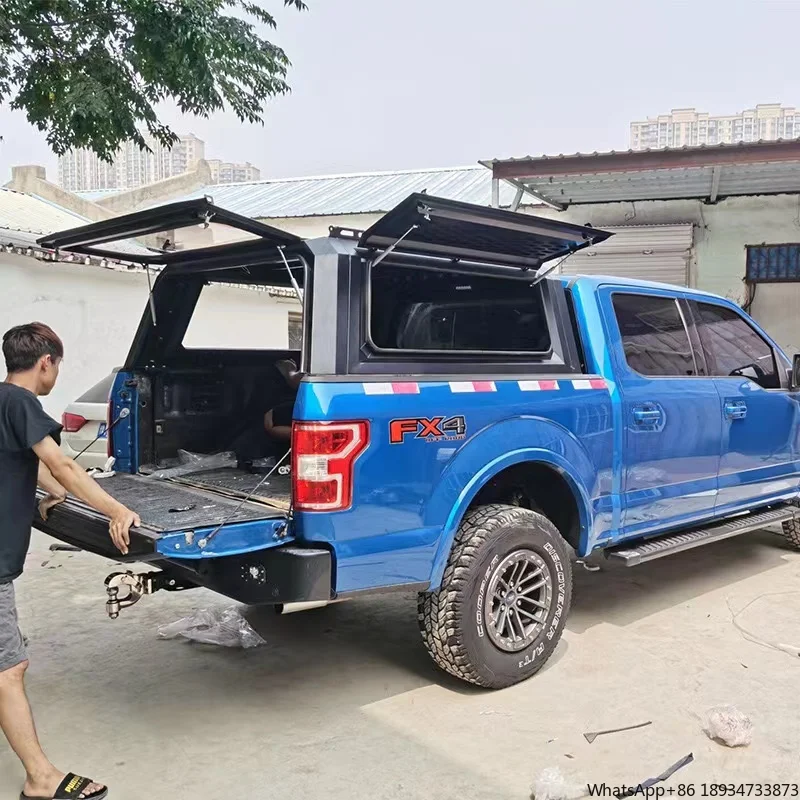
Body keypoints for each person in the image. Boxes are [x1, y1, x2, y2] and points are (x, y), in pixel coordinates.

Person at [0, 323, 141, 800]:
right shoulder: (22, 404)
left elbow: (31, 464)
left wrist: (51, 493)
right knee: (8, 668)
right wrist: (116, 509)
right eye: (57, 365)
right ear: (46, 362)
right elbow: (60, 462)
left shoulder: (0, 400)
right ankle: (40, 779)